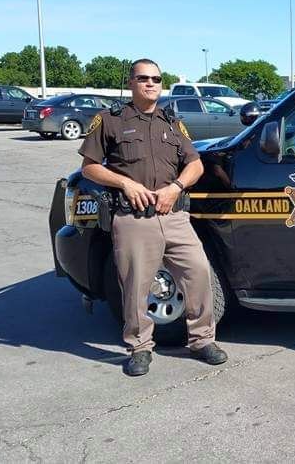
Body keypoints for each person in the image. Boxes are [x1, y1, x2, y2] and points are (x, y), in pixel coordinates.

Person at [79, 58, 227, 376]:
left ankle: (202, 340)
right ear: (131, 83)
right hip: (134, 219)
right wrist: (125, 183)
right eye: (143, 78)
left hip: (174, 215)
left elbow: (195, 164)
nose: (151, 84)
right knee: (135, 287)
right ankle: (140, 347)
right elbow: (89, 167)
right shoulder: (110, 120)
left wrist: (176, 187)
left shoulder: (171, 122)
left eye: (156, 79)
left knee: (199, 272)